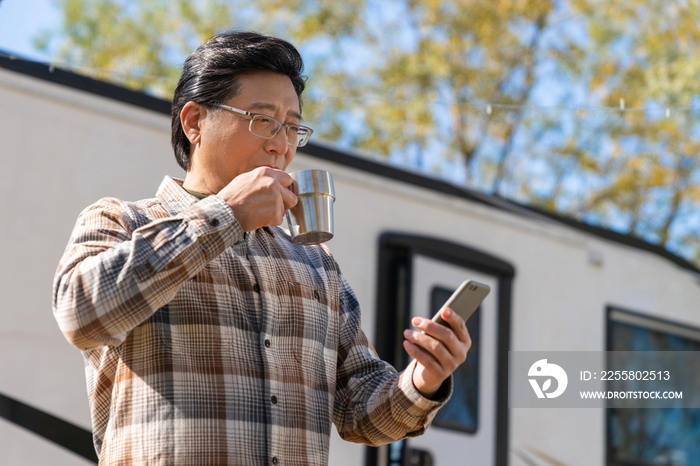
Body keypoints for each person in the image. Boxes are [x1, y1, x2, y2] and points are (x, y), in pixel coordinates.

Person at [52, 31, 471, 466]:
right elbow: (82, 315)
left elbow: (359, 414)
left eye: (292, 127)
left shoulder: (316, 266)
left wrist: (423, 380)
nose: (281, 144)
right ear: (194, 122)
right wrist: (225, 214)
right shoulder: (121, 221)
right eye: (262, 119)